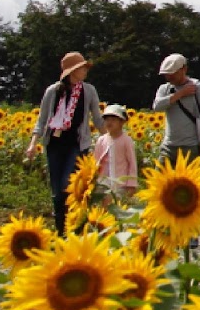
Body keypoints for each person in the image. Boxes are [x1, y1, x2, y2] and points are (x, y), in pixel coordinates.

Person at [25, 51, 101, 234]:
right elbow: (42, 120)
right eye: (82, 67)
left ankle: (76, 227)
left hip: (77, 145)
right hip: (54, 145)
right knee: (57, 192)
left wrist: (110, 139)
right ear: (72, 71)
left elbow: (97, 119)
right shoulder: (53, 91)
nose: (85, 70)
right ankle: (61, 231)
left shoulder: (89, 91)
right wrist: (32, 143)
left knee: (69, 185)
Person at [152, 54, 200, 164]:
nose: (169, 77)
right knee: (160, 178)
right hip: (168, 146)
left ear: (184, 69)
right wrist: (180, 94)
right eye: (167, 74)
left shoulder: (198, 88)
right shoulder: (165, 89)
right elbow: (157, 107)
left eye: (172, 73)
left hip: (191, 147)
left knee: (189, 180)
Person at [93, 103, 139, 201]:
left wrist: (131, 185)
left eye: (113, 120)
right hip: (103, 183)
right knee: (103, 209)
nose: (109, 123)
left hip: (120, 184)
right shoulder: (101, 140)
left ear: (122, 122)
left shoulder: (126, 140)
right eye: (107, 120)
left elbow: (132, 164)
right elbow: (95, 161)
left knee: (119, 208)